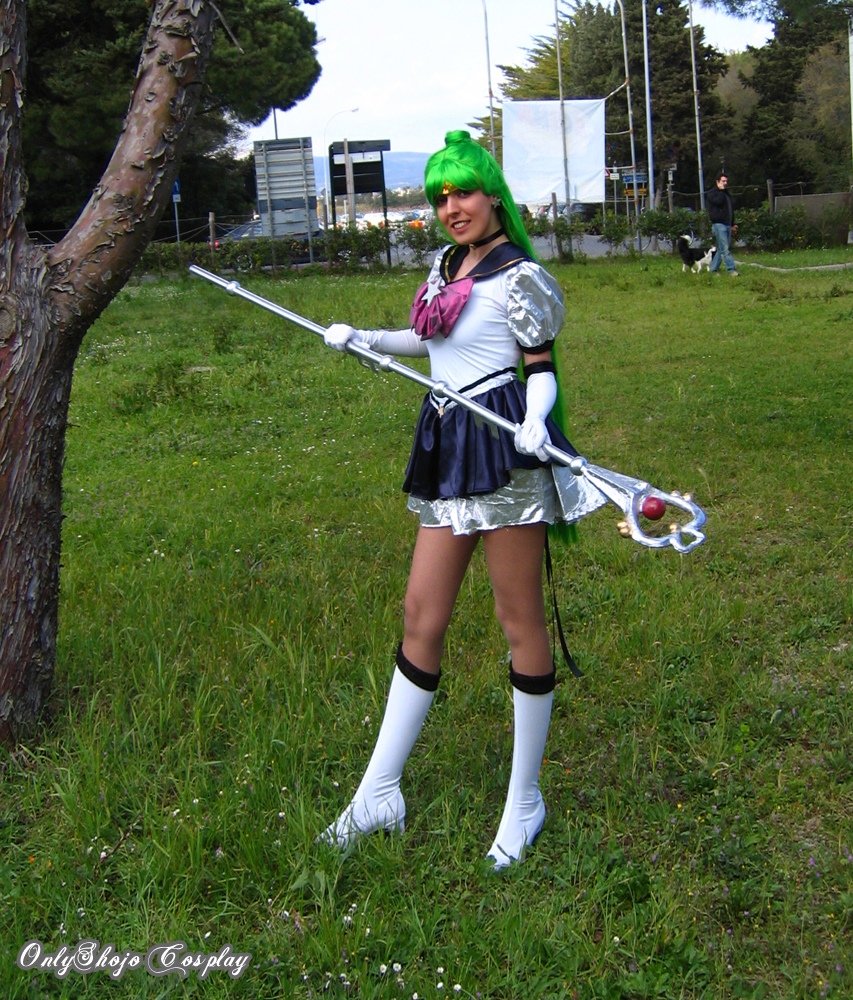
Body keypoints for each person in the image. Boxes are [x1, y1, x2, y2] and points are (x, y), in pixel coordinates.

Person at [319, 130, 604, 870]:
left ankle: (524, 800)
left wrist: (537, 417)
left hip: (503, 450)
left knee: (518, 619)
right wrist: (365, 338)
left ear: (492, 196)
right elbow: (430, 344)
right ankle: (379, 791)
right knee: (422, 614)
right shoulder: (445, 267)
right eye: (441, 196)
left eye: (464, 192)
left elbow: (538, 367)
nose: (452, 207)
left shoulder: (520, 276)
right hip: (449, 448)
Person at [707, 172, 738, 276]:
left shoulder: (726, 193)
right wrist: (721, 191)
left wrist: (732, 224)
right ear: (717, 182)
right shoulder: (712, 193)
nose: (725, 183)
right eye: (723, 181)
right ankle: (731, 269)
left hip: (727, 224)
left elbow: (729, 209)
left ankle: (713, 269)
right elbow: (719, 202)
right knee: (725, 249)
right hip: (719, 224)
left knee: (722, 249)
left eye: (726, 181)